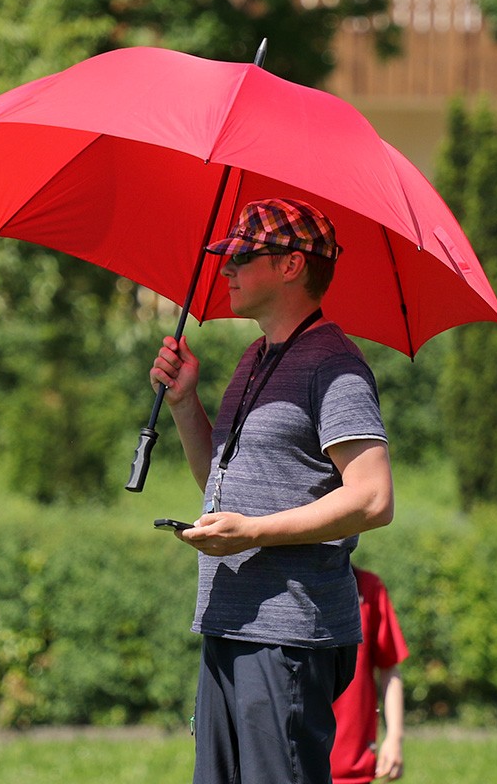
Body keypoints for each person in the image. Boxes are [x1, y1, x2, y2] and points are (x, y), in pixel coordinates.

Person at [149, 197, 395, 784]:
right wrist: (184, 403)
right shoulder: (254, 358)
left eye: (242, 257)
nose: (226, 268)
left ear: (291, 265)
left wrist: (253, 533)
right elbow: (220, 482)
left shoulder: (334, 365)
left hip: (288, 631)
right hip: (230, 619)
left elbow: (373, 498)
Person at [331, 566, 408, 784]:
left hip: (352, 763)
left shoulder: (368, 587)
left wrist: (394, 737)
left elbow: (389, 668)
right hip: (293, 763)